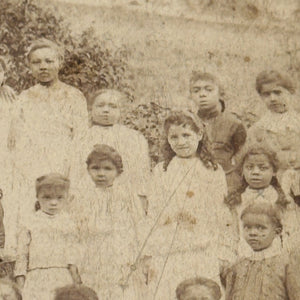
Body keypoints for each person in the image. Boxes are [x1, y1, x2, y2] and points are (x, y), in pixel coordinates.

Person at [141, 111, 235, 299]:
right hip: (168, 250)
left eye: (186, 135)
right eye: (173, 137)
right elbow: (153, 214)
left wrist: (224, 251)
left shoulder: (212, 170)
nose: (180, 142)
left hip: (202, 248)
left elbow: (222, 213)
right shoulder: (162, 170)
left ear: (199, 135)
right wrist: (149, 253)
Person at [11, 38, 88, 217]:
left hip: (64, 163)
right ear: (29, 66)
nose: (43, 66)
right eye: (36, 62)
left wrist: (73, 174)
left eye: (49, 61)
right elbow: (17, 140)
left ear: (59, 63)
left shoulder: (74, 96)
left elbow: (81, 139)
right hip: (32, 166)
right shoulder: (24, 98)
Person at [71, 145, 145, 299]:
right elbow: (75, 233)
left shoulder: (127, 196)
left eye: (107, 169)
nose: (101, 174)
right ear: (88, 170)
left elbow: (140, 227)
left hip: (121, 255)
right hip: (93, 257)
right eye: (95, 168)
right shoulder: (82, 198)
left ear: (118, 171)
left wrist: (141, 259)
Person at [73, 89, 150, 213]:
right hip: (89, 199)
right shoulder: (81, 138)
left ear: (122, 111)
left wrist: (141, 204)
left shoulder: (135, 138)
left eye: (113, 106)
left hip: (124, 200)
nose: (106, 110)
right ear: (90, 109)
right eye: (100, 105)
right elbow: (76, 173)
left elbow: (141, 175)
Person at [14, 174, 82, 300]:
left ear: (66, 197)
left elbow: (73, 253)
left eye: (59, 198)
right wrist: (20, 283)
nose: (53, 203)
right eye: (47, 197)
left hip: (62, 275)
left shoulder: (68, 222)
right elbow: (22, 254)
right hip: (36, 277)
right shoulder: (29, 221)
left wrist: (76, 279)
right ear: (37, 197)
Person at [226, 145, 295, 256]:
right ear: (242, 170)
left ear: (274, 171)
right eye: (249, 167)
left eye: (263, 168)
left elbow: (289, 231)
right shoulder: (237, 200)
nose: (255, 172)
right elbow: (232, 232)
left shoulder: (280, 200)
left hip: (275, 254)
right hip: (244, 253)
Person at [224, 203, 298, 300]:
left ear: (277, 232)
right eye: (247, 227)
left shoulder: (286, 265)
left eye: (261, 228)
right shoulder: (237, 267)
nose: (253, 233)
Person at [189, 71, 247, 193]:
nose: (202, 94)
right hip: (194, 185)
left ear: (220, 93)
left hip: (226, 185)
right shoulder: (188, 123)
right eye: (196, 90)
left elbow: (242, 161)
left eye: (208, 90)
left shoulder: (234, 124)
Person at [247, 70, 300, 177]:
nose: (272, 99)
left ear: (291, 92)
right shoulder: (256, 130)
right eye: (266, 94)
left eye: (278, 92)